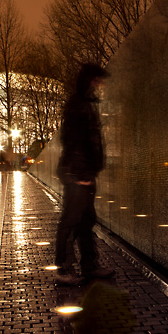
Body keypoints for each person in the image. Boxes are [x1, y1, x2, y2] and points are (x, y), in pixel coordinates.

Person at [54, 63, 114, 285]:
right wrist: (81, 172)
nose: (101, 86)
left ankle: (89, 266)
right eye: (98, 81)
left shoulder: (85, 104)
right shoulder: (78, 105)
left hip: (83, 171)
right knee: (71, 220)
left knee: (86, 220)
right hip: (77, 172)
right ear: (91, 80)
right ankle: (64, 269)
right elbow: (73, 141)